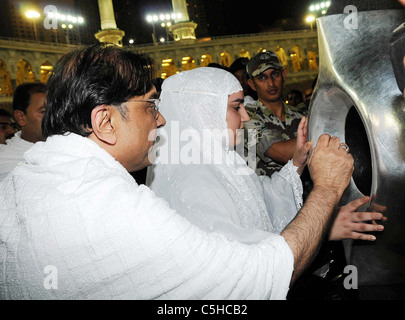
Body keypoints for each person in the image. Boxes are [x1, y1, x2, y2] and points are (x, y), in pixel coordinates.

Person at [0, 44, 354, 300]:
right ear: (105, 121)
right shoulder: (114, 206)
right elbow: (256, 278)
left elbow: (256, 205)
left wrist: (299, 173)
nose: (163, 118)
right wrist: (326, 191)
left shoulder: (31, 177)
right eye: (151, 105)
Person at [149, 67, 385, 246]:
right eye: (236, 107)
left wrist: (296, 163)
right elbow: (248, 264)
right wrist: (321, 226)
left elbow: (262, 198)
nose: (245, 117)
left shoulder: (221, 159)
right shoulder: (191, 180)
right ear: (203, 111)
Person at [244, 51, 303, 178]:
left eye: (275, 74)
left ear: (284, 75)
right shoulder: (247, 117)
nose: (271, 83)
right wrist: (318, 132)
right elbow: (282, 153)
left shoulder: (299, 116)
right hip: (268, 195)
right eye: (262, 77)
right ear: (252, 84)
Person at [0, 82, 46, 181]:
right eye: (44, 112)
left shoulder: (68, 148)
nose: (52, 117)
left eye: (54, 111)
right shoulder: (4, 159)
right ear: (20, 117)